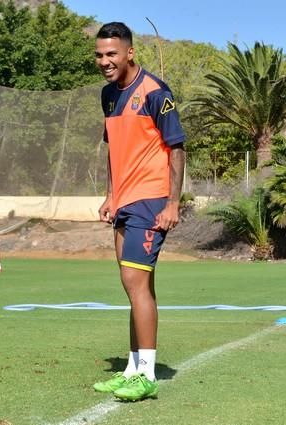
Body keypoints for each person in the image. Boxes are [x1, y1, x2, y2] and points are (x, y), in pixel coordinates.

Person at [92, 22, 186, 402]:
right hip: (125, 201)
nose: (104, 61)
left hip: (152, 199)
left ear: (130, 52)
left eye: (111, 53)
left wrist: (173, 202)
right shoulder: (108, 96)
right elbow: (114, 149)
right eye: (99, 55)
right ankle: (133, 367)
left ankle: (146, 374)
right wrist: (110, 195)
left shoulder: (155, 92)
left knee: (135, 282)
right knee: (136, 286)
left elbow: (177, 148)